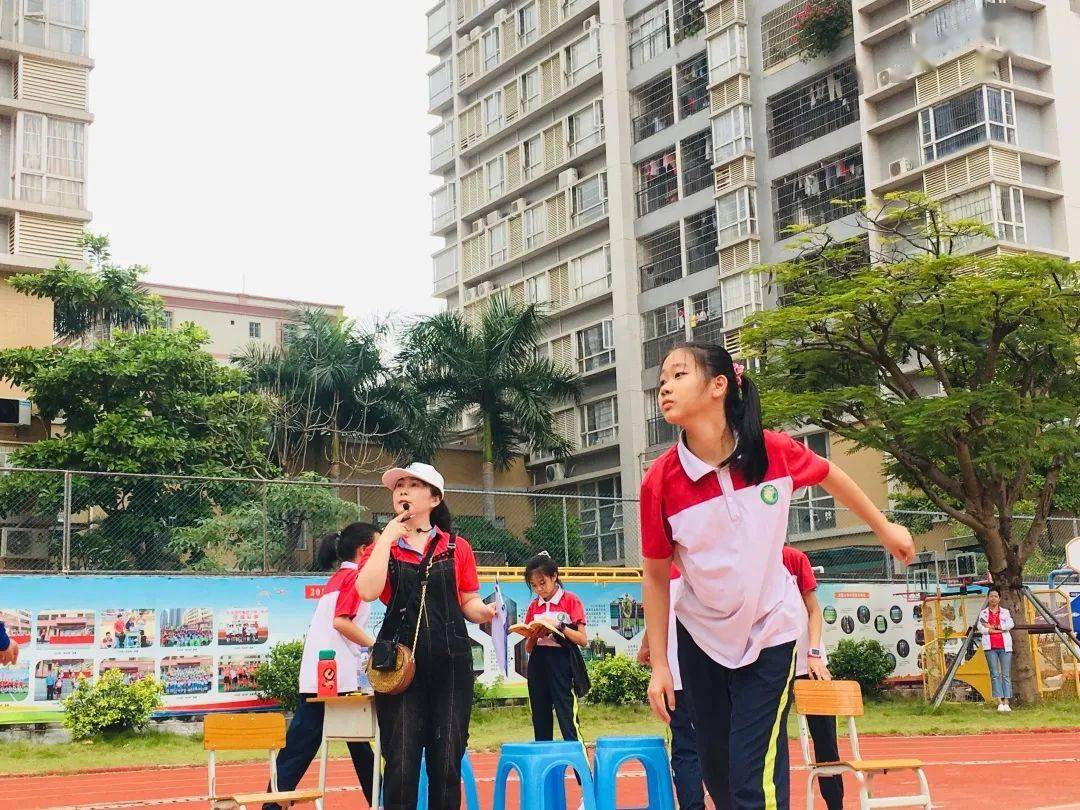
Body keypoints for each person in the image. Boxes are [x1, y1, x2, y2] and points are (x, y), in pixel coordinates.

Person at [640, 342, 915, 809]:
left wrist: (885, 527)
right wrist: (662, 666)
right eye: (662, 379)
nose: (665, 386)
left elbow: (832, 474)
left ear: (719, 386)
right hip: (702, 638)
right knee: (720, 778)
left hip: (770, 630)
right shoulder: (660, 482)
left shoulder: (770, 452)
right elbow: (655, 574)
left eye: (679, 375)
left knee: (753, 778)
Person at [355, 462, 496, 810]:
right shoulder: (385, 547)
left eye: (413, 484)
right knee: (401, 763)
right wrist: (386, 537)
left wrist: (489, 613)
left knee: (447, 762)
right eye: (398, 485)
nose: (402, 490)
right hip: (398, 669)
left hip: (451, 666)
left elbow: (468, 600)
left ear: (434, 498)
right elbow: (367, 591)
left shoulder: (456, 546)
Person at [263, 522, 379, 810]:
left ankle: (273, 803)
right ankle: (382, 800)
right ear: (364, 550)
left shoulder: (338, 578)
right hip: (333, 676)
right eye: (379, 546)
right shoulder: (355, 579)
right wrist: (376, 645)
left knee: (312, 744)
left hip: (321, 673)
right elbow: (341, 622)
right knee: (354, 743)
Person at [637, 564, 708, 810]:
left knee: (686, 747)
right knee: (718, 742)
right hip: (709, 675)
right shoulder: (702, 566)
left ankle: (693, 806)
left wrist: (648, 647)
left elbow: (655, 616)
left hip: (675, 677)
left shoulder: (659, 571)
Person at [782, 545, 843, 810]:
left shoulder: (794, 559)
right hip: (767, 668)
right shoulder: (745, 558)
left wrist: (814, 653)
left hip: (810, 664)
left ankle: (835, 804)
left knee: (826, 739)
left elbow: (814, 611)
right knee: (766, 741)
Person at [522, 553, 588, 747]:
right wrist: (533, 635)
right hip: (539, 663)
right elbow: (528, 647)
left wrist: (558, 626)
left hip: (562, 662)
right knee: (540, 721)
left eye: (542, 583)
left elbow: (582, 639)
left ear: (554, 576)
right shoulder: (534, 606)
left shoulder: (570, 600)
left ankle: (583, 775)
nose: (539, 589)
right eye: (534, 586)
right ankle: (546, 775)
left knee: (568, 721)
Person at [978, 587, 1015, 712]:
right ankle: (999, 701)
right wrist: (995, 630)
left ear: (999, 599)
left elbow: (1010, 625)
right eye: (991, 596)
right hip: (990, 647)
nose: (993, 598)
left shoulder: (1005, 612)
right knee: (994, 674)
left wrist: (997, 627)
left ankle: (1007, 702)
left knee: (1006, 674)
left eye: (995, 596)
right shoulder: (983, 613)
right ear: (988, 597)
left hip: (1005, 646)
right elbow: (982, 628)